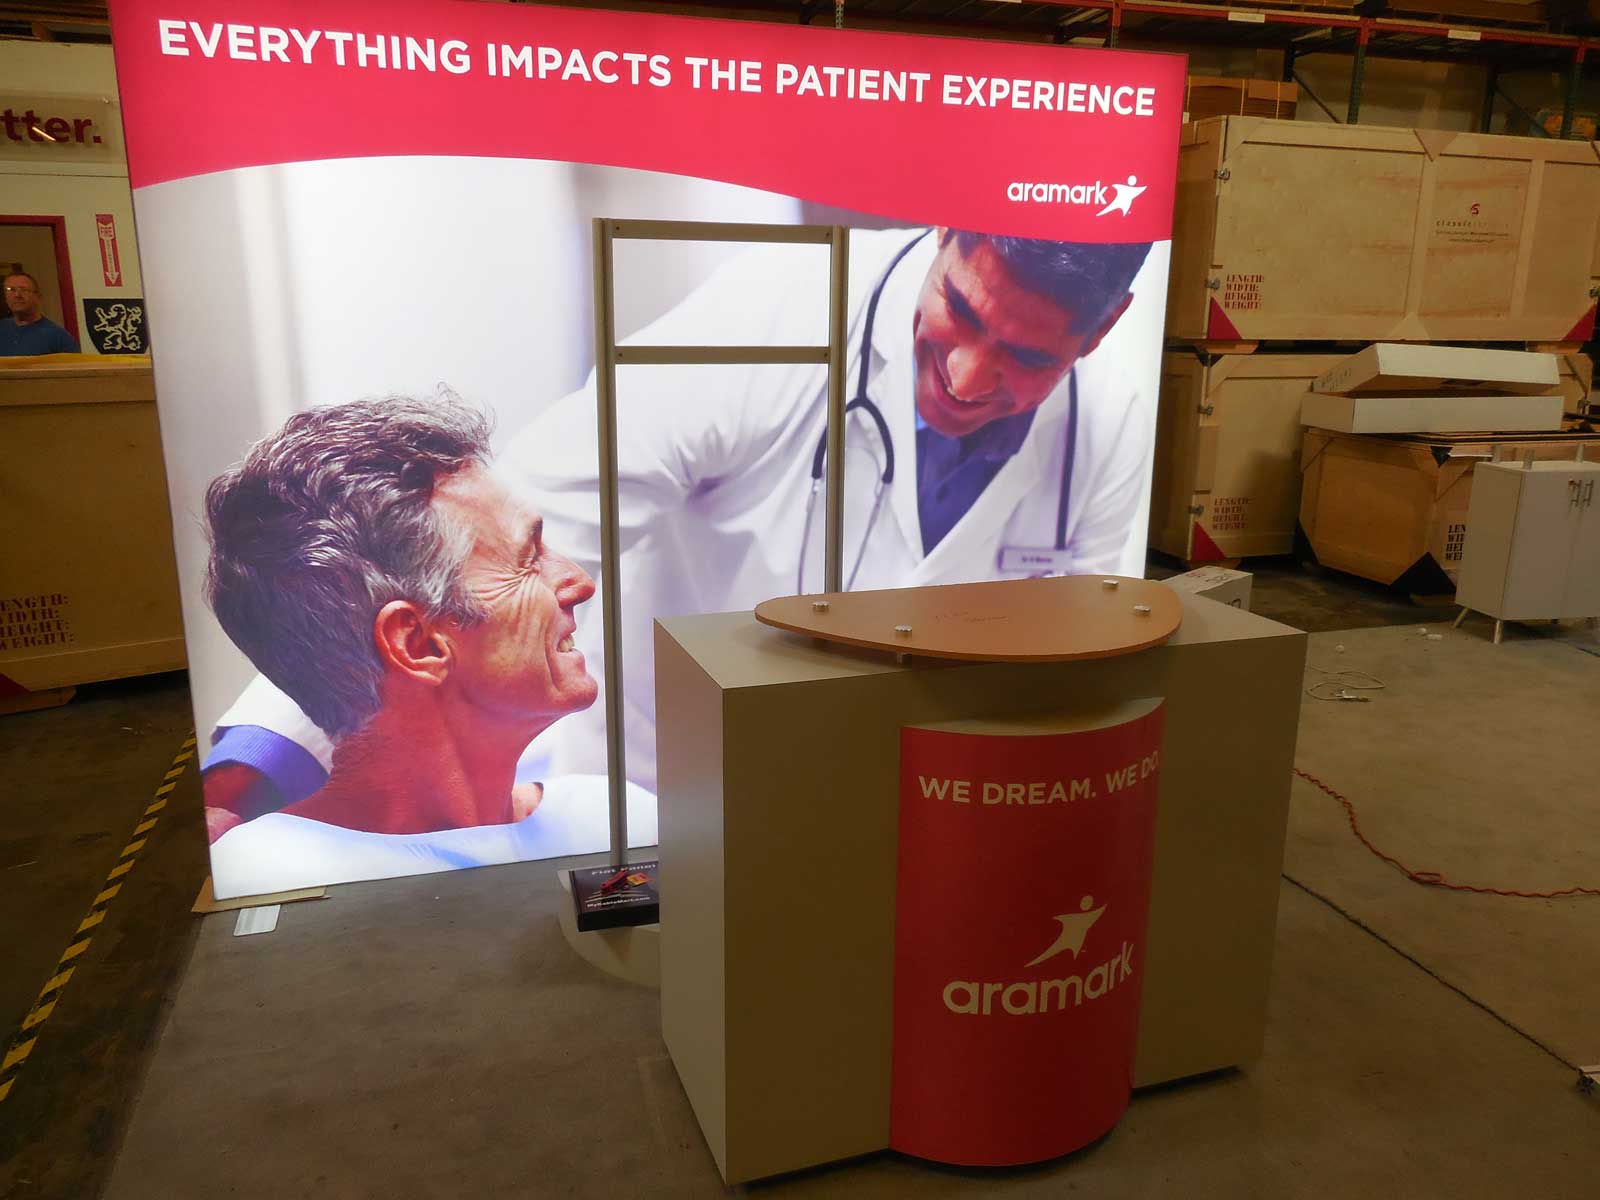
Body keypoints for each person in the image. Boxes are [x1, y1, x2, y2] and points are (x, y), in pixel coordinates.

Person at [205, 224, 1155, 800]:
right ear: (945, 235)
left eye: (1030, 358)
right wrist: (263, 758)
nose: (968, 377)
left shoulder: (1107, 424)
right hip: (666, 786)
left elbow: (1074, 653)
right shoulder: (777, 312)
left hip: (904, 793)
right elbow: (472, 545)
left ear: (1103, 329)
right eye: (961, 312)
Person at [200, 393, 654, 899]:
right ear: (417, 645)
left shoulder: (615, 821)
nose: (579, 583)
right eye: (529, 558)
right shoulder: (268, 874)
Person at [0, 272, 81, 355]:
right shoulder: (2, 328)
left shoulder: (57, 336)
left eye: (24, 290)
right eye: (11, 290)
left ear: (38, 296)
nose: (17, 295)